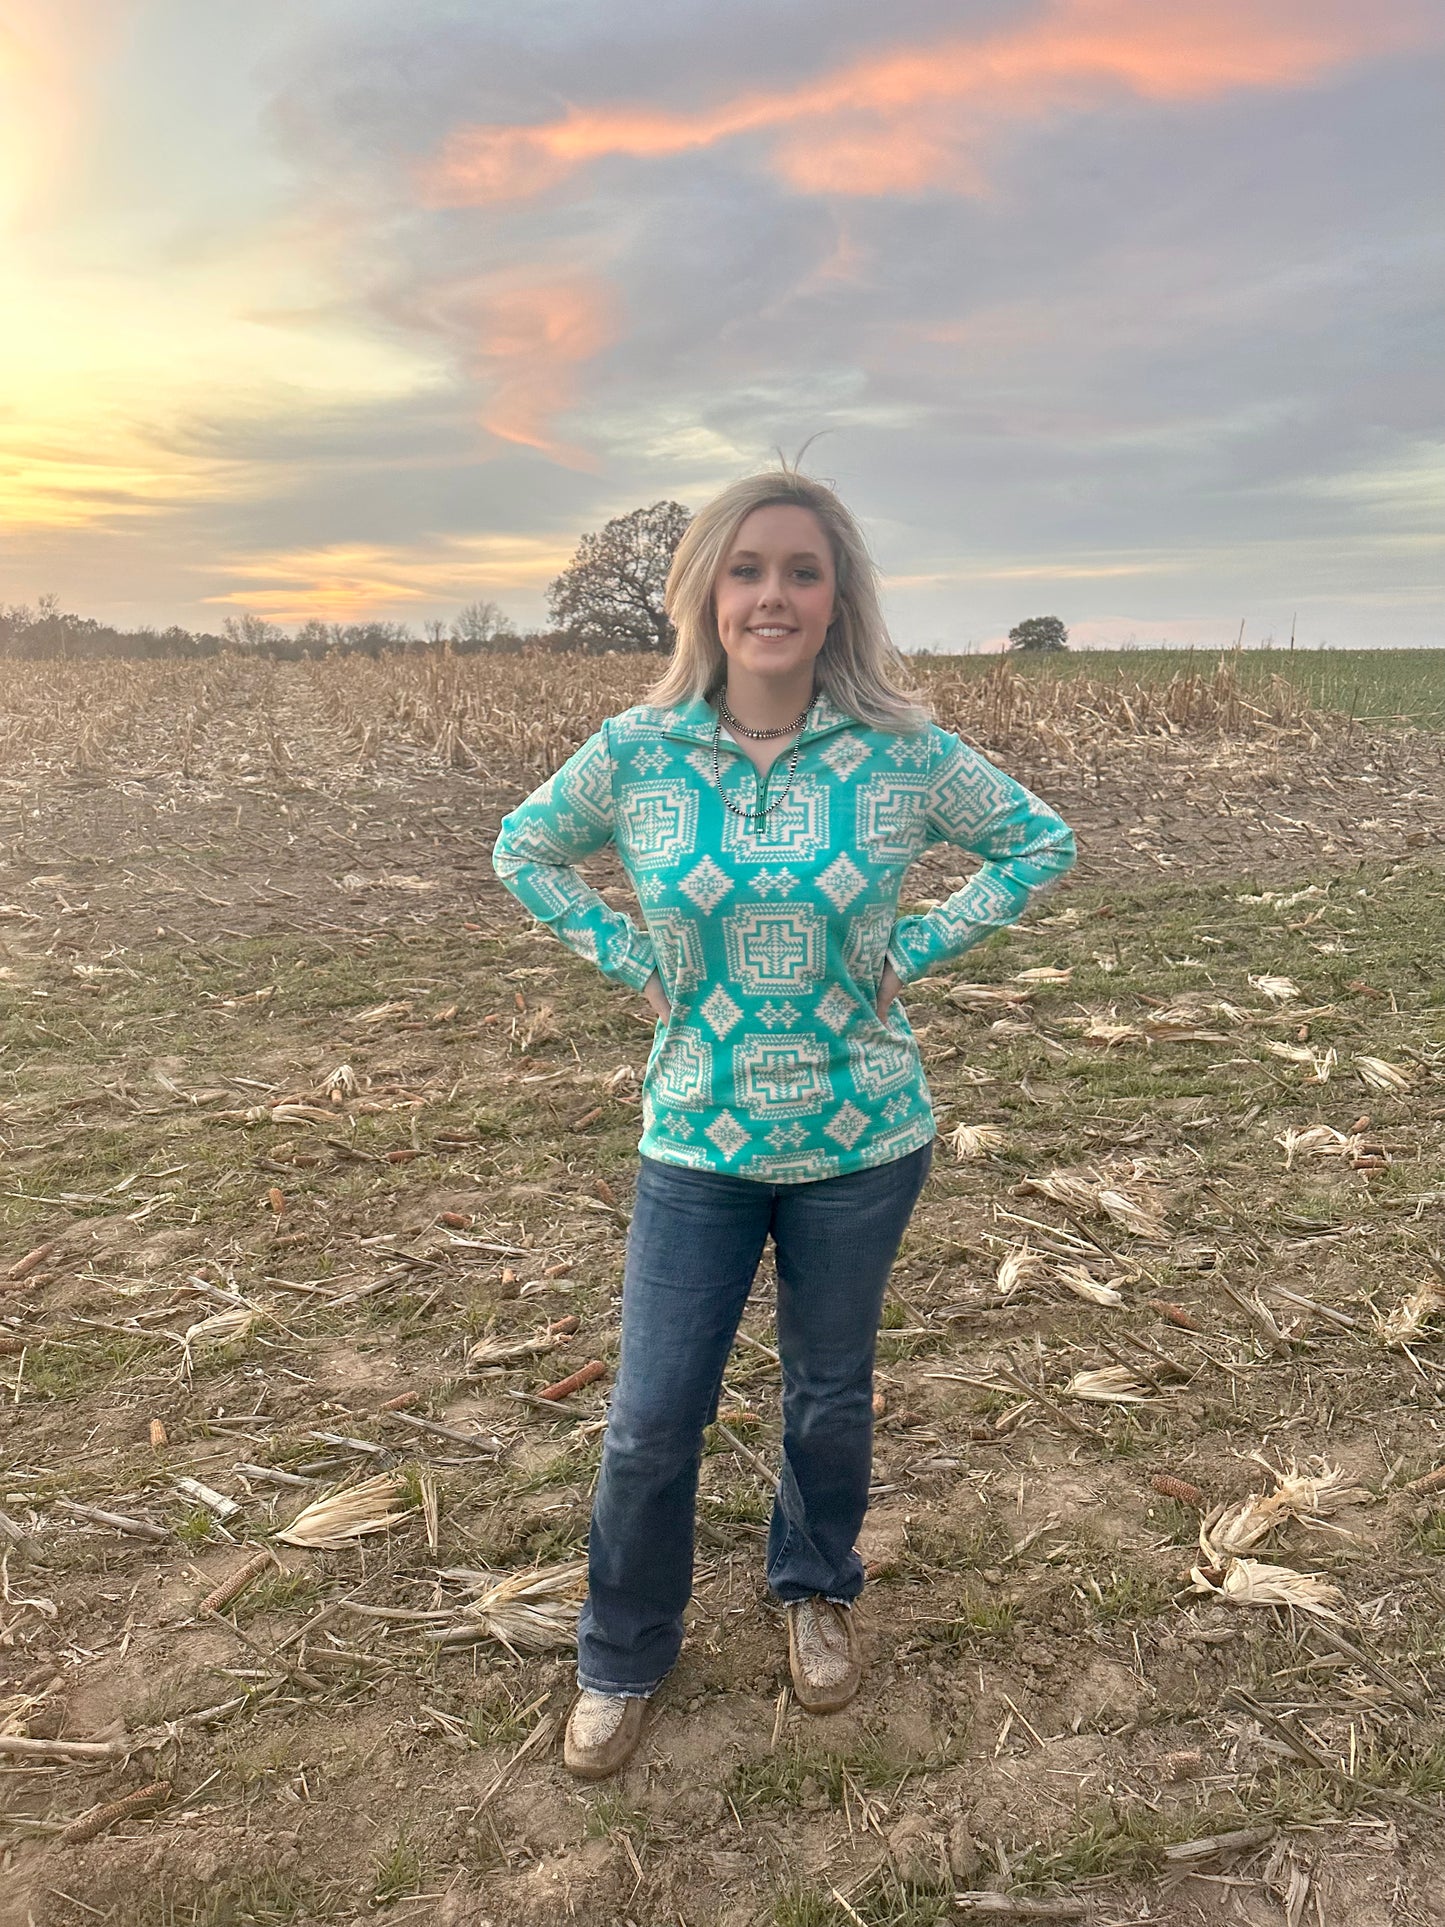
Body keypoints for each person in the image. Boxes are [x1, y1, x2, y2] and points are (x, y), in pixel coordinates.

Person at [492, 467, 1075, 1779]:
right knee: (651, 1418)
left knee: (825, 1393)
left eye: (802, 571)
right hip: (696, 1141)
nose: (773, 595)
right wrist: (625, 957)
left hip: (862, 1140)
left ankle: (814, 1588)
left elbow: (1039, 842)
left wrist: (915, 948)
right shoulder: (636, 753)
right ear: (704, 592)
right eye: (746, 569)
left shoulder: (902, 754)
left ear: (836, 598)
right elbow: (521, 848)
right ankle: (621, 1653)